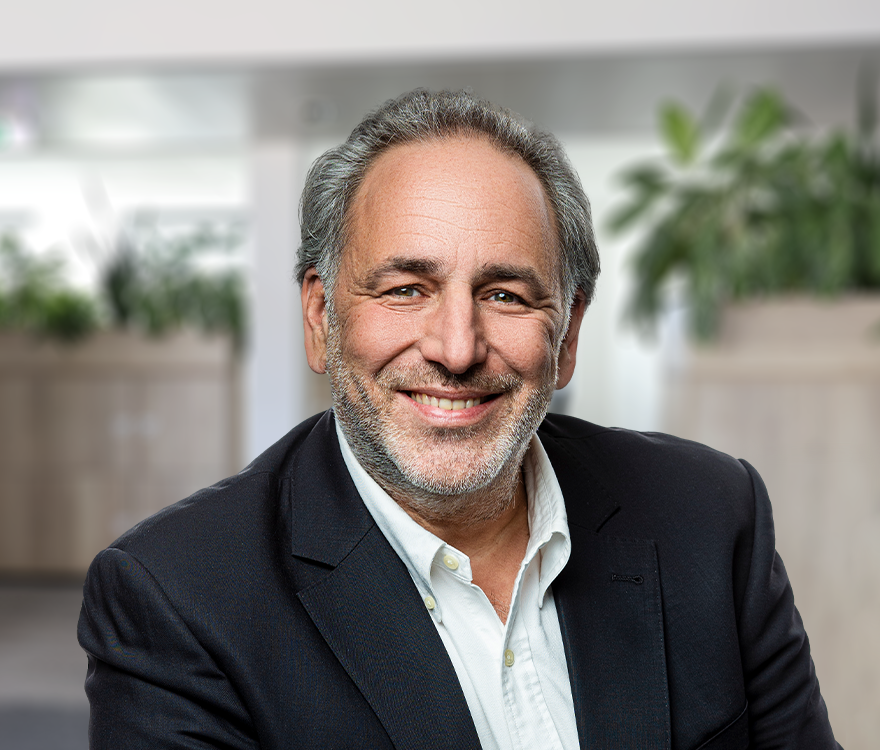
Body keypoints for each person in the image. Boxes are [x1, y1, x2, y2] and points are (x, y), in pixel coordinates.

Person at [78, 89, 840, 749]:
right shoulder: (177, 598)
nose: (456, 348)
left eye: (505, 295)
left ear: (569, 334)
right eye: (406, 289)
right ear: (320, 316)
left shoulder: (711, 514)